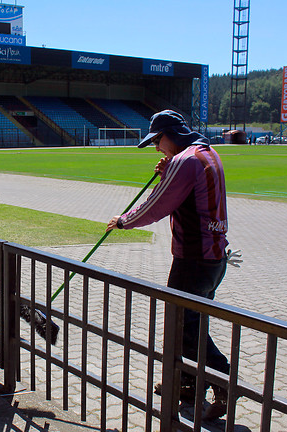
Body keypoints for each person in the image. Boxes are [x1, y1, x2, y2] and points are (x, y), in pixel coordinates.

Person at [106, 110, 231, 420]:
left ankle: (223, 379)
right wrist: (168, 172)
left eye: (157, 141)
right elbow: (184, 194)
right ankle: (187, 385)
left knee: (185, 326)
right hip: (213, 259)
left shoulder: (185, 161)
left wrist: (123, 222)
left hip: (194, 259)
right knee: (190, 323)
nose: (157, 148)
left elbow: (158, 204)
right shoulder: (205, 153)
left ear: (169, 135)